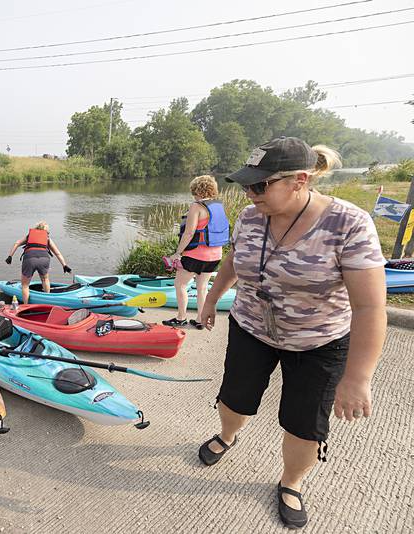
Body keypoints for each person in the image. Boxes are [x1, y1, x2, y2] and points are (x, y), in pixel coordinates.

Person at [197, 137, 386, 529]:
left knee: (304, 423)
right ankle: (228, 435)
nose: (250, 194)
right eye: (246, 185)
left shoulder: (348, 224)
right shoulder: (252, 216)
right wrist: (213, 298)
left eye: (260, 185)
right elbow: (235, 258)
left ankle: (291, 482)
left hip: (318, 341)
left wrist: (358, 378)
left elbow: (369, 307)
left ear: (300, 180)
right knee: (234, 398)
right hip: (251, 327)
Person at [163, 175, 229, 329]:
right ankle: (200, 320)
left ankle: (181, 318)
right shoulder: (219, 206)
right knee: (202, 288)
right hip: (215, 256)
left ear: (197, 190)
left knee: (180, 284)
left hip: (195, 255)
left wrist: (177, 253)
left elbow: (188, 233)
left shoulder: (197, 206)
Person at [4, 221, 71, 304]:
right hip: (44, 259)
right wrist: (64, 265)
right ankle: (48, 301)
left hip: (30, 259)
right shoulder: (47, 238)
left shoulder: (29, 236)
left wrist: (10, 256)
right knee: (45, 279)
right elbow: (57, 253)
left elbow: (17, 243)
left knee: (25, 285)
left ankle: (26, 305)